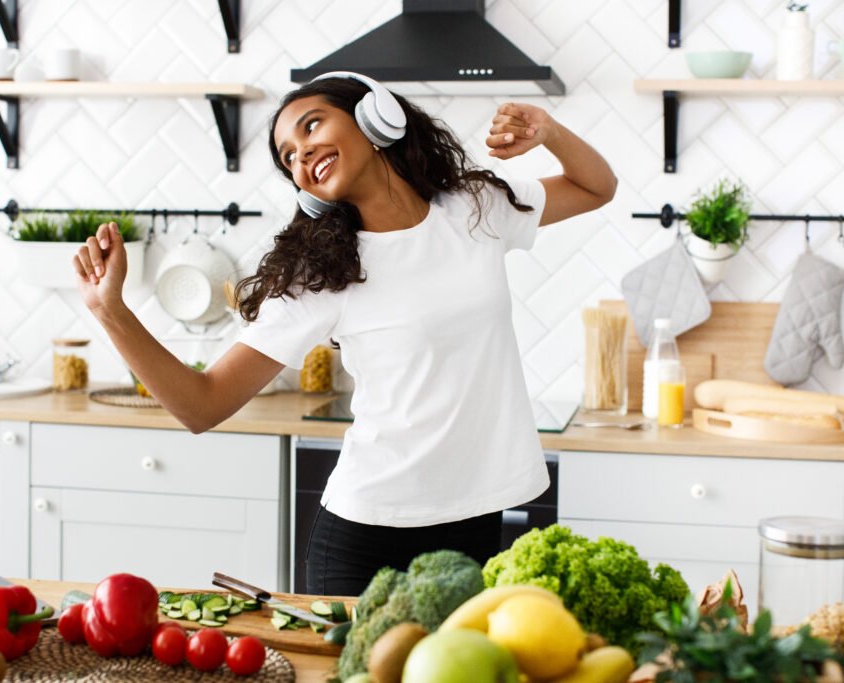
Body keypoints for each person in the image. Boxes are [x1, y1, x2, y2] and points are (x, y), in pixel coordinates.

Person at [72, 72, 617, 596]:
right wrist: (110, 311)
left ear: (374, 117)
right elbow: (202, 405)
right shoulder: (322, 274)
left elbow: (597, 187)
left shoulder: (475, 208)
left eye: (310, 127)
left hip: (477, 522)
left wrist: (548, 132)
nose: (300, 155)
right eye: (288, 156)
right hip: (368, 539)